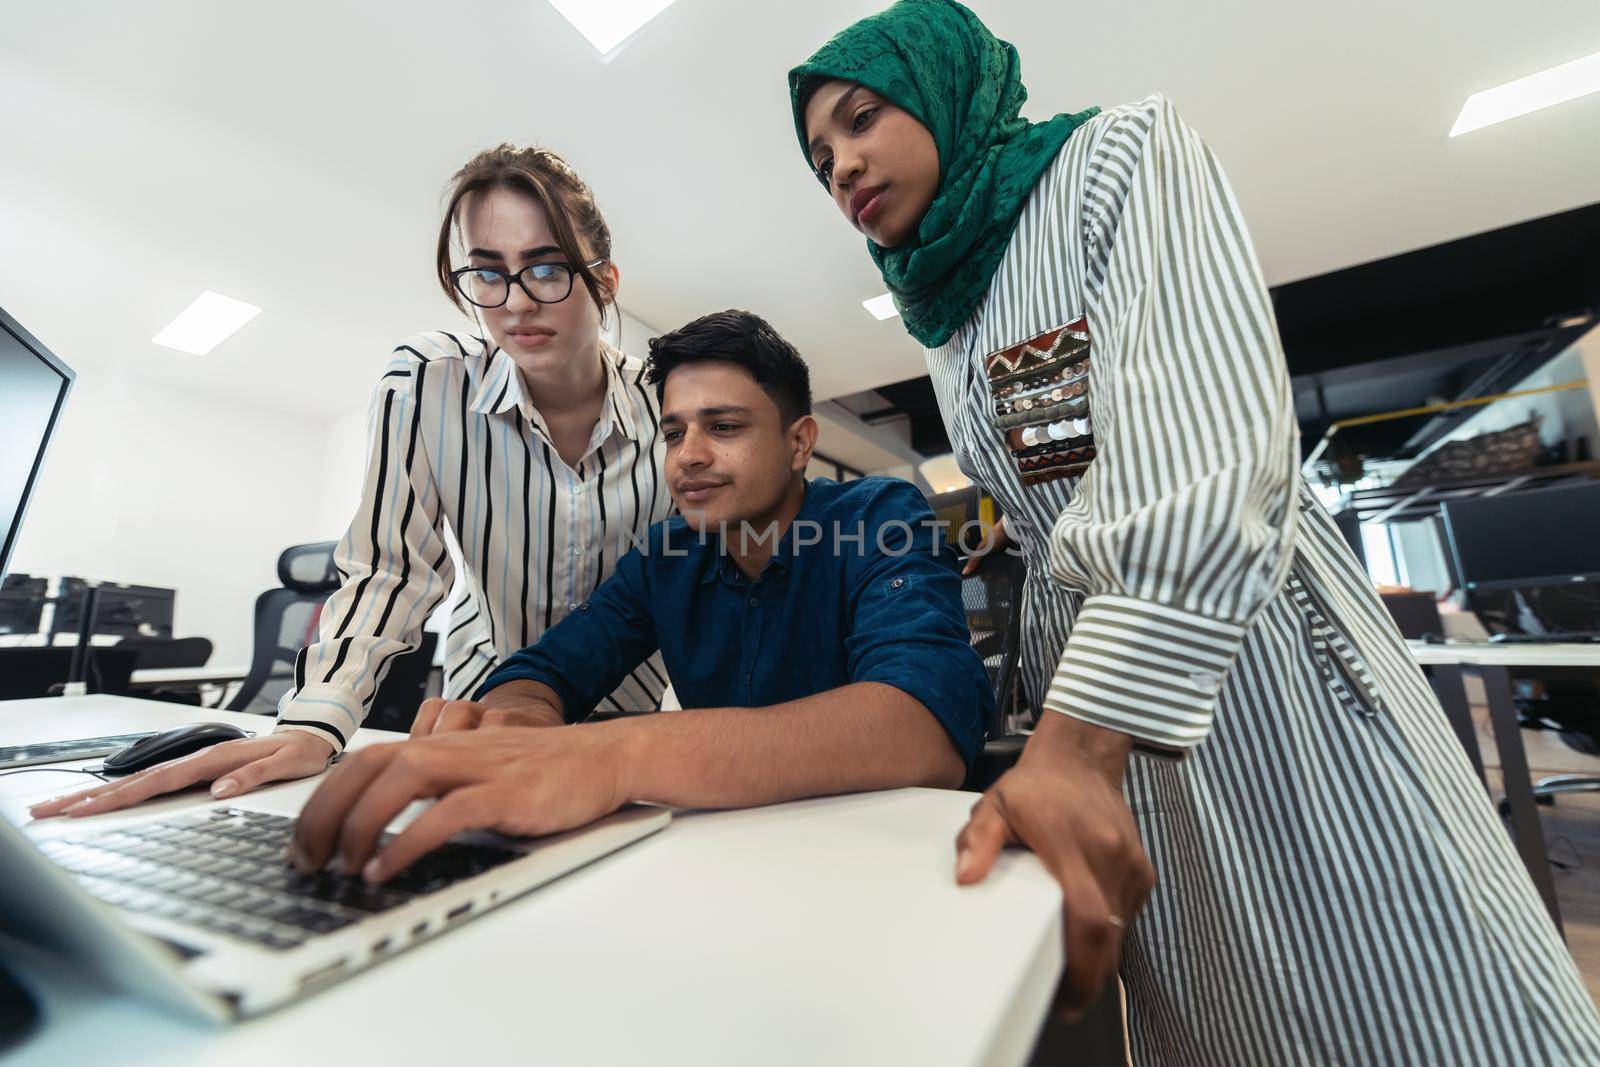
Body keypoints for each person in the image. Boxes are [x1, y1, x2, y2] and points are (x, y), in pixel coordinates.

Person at [787, 2, 1600, 1062]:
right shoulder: (946, 315)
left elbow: (1203, 448)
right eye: (819, 159)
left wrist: (1077, 744)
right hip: (1098, 707)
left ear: (944, 86)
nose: (842, 164)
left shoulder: (1116, 158)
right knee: (1213, 1011)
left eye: (860, 119)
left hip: (1244, 667)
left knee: (1392, 989)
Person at [32, 145, 674, 820]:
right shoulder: (432, 382)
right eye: (488, 273)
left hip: (625, 715)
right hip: (480, 707)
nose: (514, 303)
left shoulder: (672, 406)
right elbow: (390, 570)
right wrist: (314, 721)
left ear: (604, 280)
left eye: (545, 268)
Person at [280, 310, 990, 881]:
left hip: (882, 865)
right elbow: (547, 669)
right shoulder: (665, 556)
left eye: (726, 426)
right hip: (722, 864)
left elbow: (922, 726)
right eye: (673, 430)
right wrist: (515, 722)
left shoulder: (879, 517)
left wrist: (612, 757)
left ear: (800, 442)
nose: (689, 455)